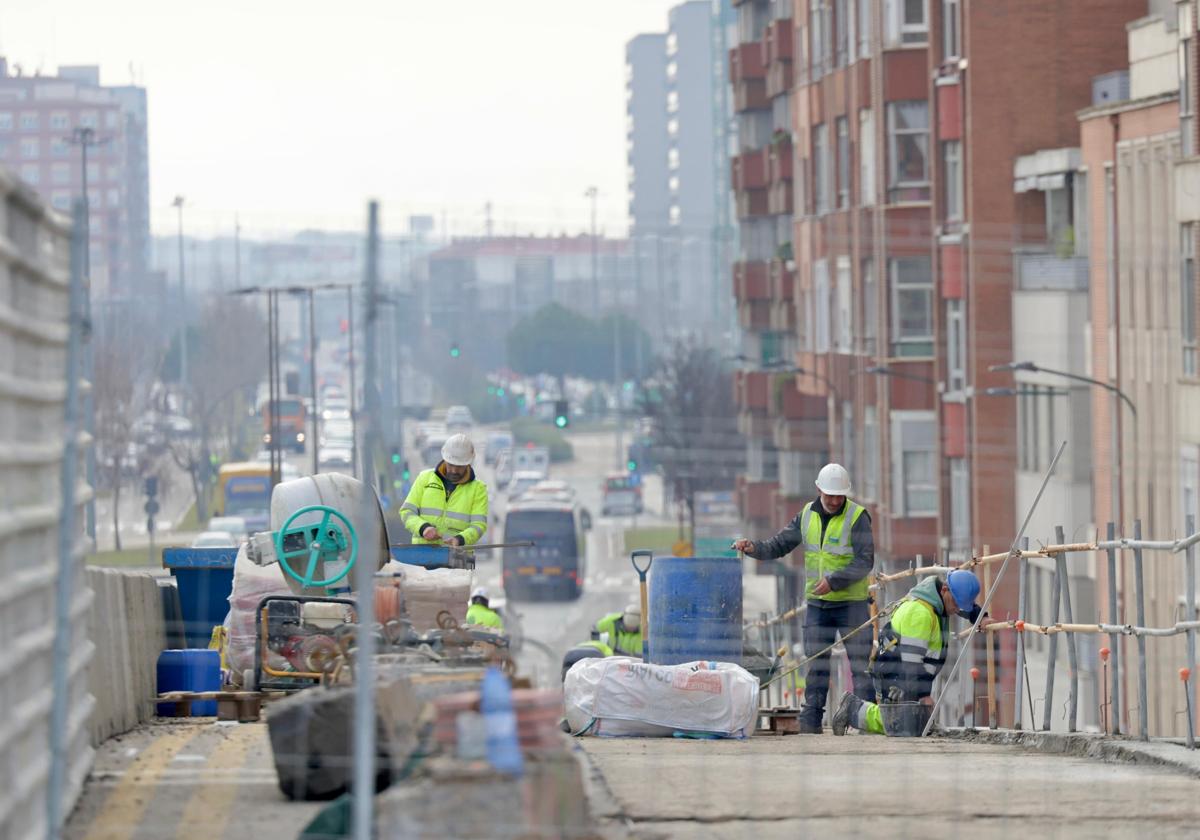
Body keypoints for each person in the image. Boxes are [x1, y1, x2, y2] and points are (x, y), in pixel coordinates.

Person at [733, 463, 873, 733]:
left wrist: (834, 581)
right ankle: (811, 723)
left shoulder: (857, 517)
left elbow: (865, 561)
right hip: (819, 606)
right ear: (819, 489)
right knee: (816, 664)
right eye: (829, 494)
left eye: (839, 495)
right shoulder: (806, 515)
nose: (834, 501)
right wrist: (754, 548)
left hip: (851, 604)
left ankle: (866, 720)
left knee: (859, 666)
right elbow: (780, 544)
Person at [831, 569, 992, 736]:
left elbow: (961, 603)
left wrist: (980, 616)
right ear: (944, 590)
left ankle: (857, 709)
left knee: (912, 724)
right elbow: (912, 664)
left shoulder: (938, 600)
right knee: (901, 724)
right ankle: (852, 709)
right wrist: (922, 695)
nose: (957, 609)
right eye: (956, 604)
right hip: (897, 674)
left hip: (910, 674)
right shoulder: (920, 614)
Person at [398, 434, 489, 546]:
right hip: (422, 554)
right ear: (444, 459)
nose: (454, 471)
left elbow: (479, 525)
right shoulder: (424, 478)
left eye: (459, 466)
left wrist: (460, 540)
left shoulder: (478, 489)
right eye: (451, 465)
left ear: (468, 464)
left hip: (458, 557)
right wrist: (423, 528)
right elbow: (407, 512)